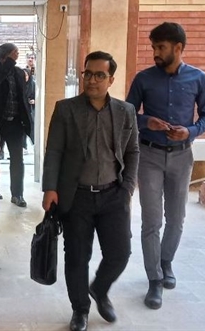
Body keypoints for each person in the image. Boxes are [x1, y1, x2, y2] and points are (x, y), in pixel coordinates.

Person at [42, 51, 139, 331]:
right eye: (88, 74)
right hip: (76, 196)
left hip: (113, 194)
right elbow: (54, 151)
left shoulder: (125, 111)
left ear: (111, 79)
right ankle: (80, 310)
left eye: (99, 75)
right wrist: (50, 188)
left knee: (120, 253)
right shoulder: (66, 109)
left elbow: (132, 151)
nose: (92, 80)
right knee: (76, 257)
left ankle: (99, 288)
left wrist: (128, 187)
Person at [126, 22, 205, 310]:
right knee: (151, 220)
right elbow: (127, 113)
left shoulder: (198, 79)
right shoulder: (143, 79)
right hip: (149, 155)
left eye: (161, 47)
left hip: (181, 156)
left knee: (176, 218)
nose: (155, 52)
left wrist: (190, 131)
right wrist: (146, 122)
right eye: (153, 47)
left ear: (178, 48)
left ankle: (166, 263)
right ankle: (154, 279)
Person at [0, 43, 33, 207]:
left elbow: (23, 96)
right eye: (15, 52)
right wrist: (8, 62)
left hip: (15, 123)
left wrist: (26, 121)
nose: (17, 55)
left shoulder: (18, 72)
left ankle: (17, 194)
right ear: (6, 54)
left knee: (17, 160)